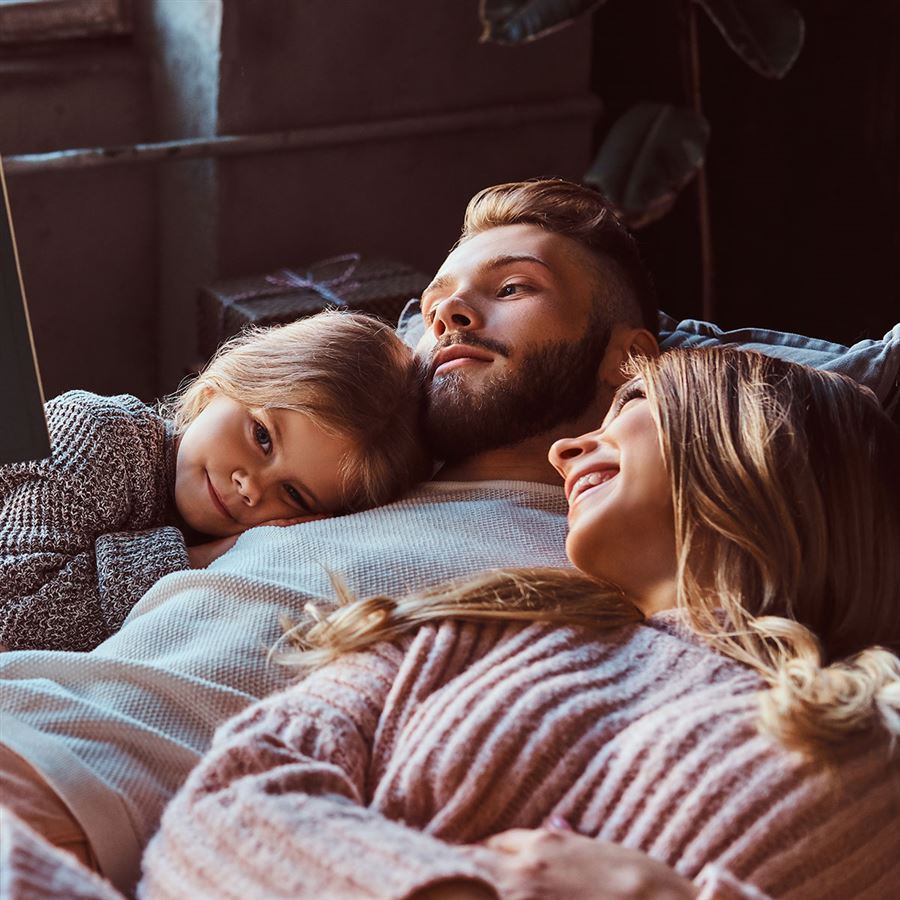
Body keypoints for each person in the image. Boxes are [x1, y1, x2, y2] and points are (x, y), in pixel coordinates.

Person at [0, 178, 894, 895]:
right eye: (440, 302)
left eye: (511, 290)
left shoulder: (606, 561)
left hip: (87, 801)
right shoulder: (345, 474)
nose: (450, 318)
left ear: (632, 360)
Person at [0, 310, 427, 652]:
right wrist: (196, 558)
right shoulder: (98, 433)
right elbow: (14, 620)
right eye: (261, 436)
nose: (251, 487)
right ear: (223, 385)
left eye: (293, 494)